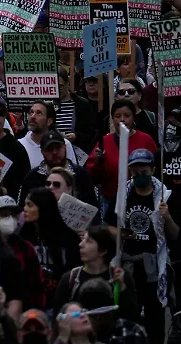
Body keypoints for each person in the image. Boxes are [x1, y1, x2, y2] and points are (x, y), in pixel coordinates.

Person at [106, 148, 176, 342]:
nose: (139, 177)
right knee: (128, 315)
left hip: (154, 267)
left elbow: (175, 235)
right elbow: (109, 227)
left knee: (155, 318)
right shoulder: (123, 195)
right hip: (128, 266)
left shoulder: (165, 197)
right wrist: (120, 234)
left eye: (143, 172)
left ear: (153, 170)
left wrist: (167, 217)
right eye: (135, 173)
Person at [50, 225, 138, 322]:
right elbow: (57, 318)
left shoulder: (120, 277)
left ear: (103, 250)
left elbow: (132, 316)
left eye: (89, 241)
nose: (80, 244)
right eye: (83, 239)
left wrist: (122, 288)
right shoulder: (71, 278)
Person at [20, 186, 81, 311]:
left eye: (30, 205)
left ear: (43, 207)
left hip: (59, 304)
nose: (25, 209)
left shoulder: (69, 238)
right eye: (25, 204)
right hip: (30, 304)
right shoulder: (22, 237)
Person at [86, 100, 158, 207]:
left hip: (141, 200)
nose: (122, 119)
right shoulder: (105, 141)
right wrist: (98, 161)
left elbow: (155, 168)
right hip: (110, 201)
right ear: (112, 119)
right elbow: (91, 175)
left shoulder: (145, 140)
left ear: (133, 117)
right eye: (118, 116)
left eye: (127, 115)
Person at [17, 131, 98, 210]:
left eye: (58, 148)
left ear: (65, 147)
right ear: (42, 152)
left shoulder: (81, 174)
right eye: (50, 149)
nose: (55, 152)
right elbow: (22, 210)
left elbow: (94, 210)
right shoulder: (32, 177)